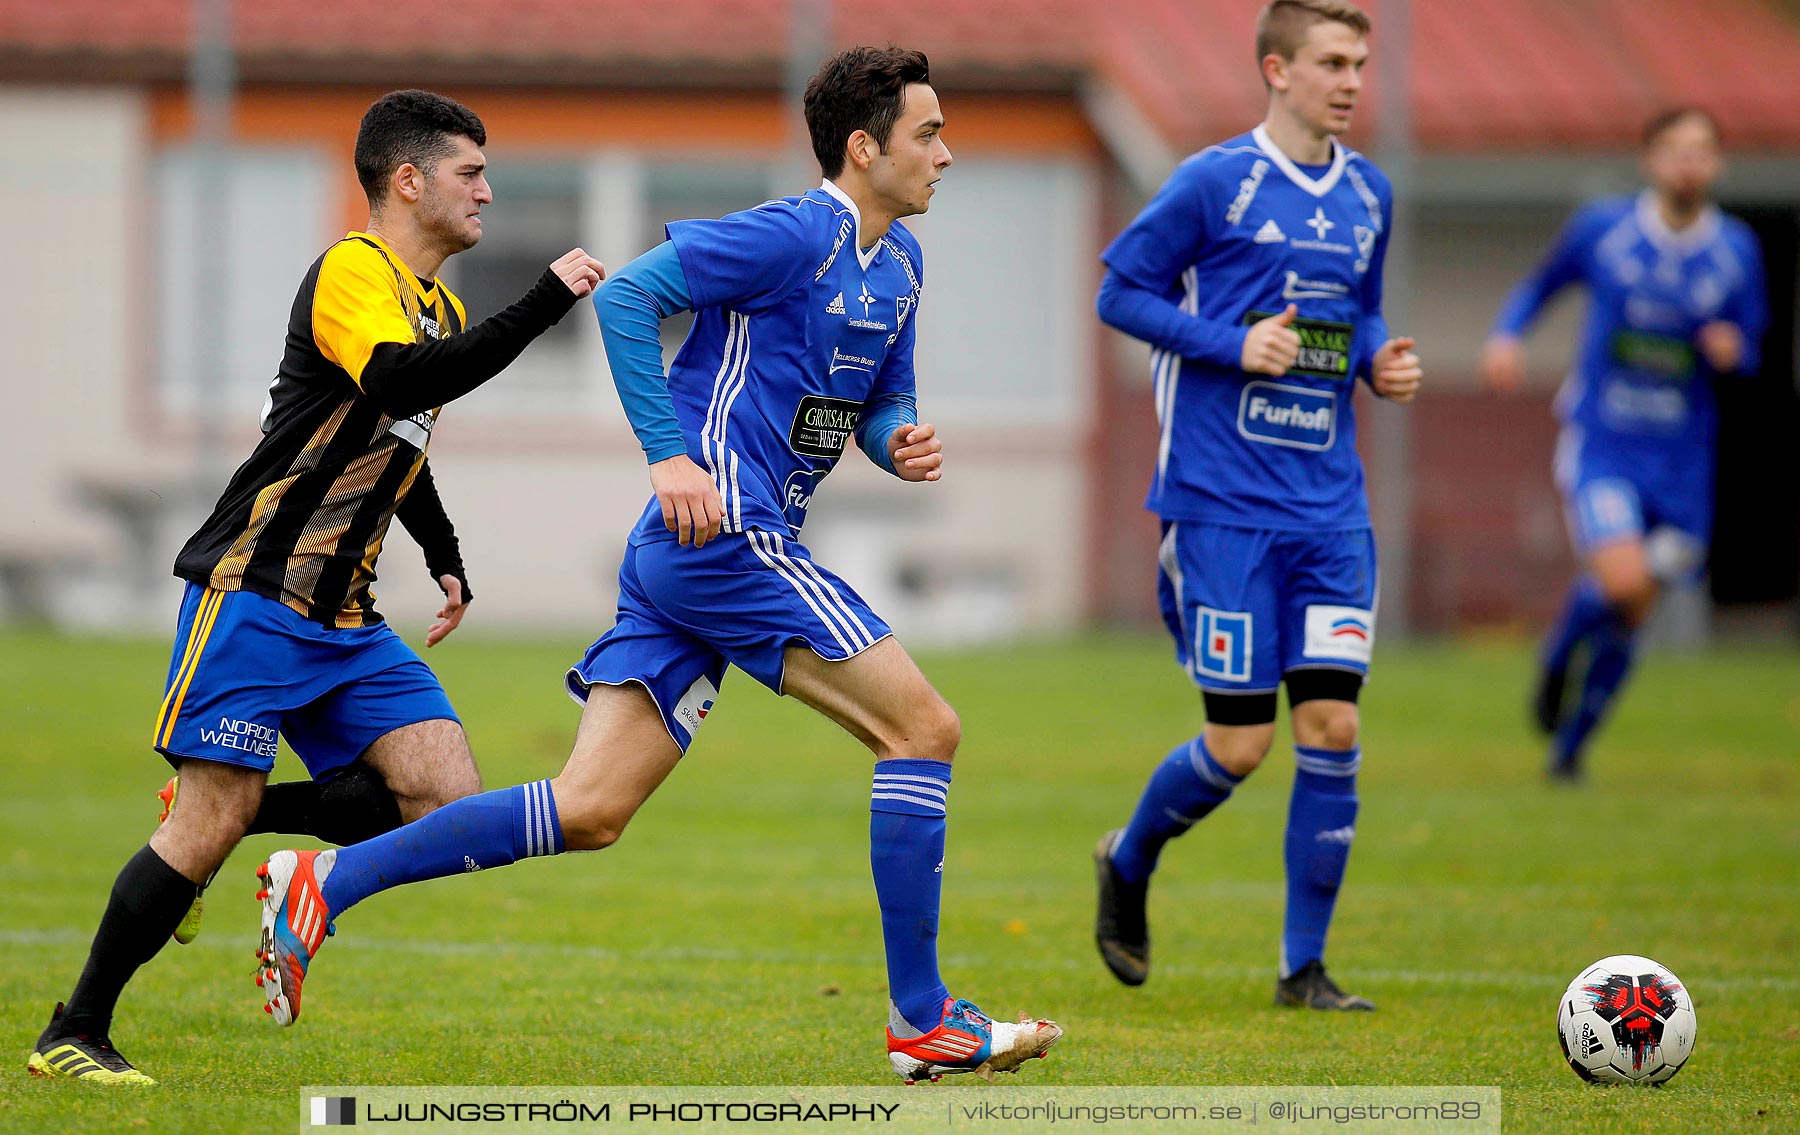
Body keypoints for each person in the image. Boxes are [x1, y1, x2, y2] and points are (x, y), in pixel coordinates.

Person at [250, 47, 1061, 1085]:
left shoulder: (899, 265)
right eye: (929, 133)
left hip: (693, 556)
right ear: (864, 149)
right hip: (726, 538)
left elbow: (880, 395)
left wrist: (895, 439)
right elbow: (631, 297)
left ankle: (324, 885)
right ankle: (922, 1018)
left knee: (590, 809)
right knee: (925, 728)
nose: (948, 153)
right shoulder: (789, 233)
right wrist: (670, 454)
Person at [27, 90, 604, 1085]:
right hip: (254, 589)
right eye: (472, 172)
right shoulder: (350, 270)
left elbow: (400, 440)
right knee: (201, 823)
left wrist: (444, 548)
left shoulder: (443, 306)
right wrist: (547, 298)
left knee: (445, 797)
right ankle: (72, 1030)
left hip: (347, 616)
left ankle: (242, 820)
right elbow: (397, 383)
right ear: (409, 179)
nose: (489, 192)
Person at [1090, 0, 1421, 1011]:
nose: (1352, 80)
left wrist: (1378, 358)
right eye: (1331, 61)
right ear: (1276, 69)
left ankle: (1303, 970)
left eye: (1360, 62)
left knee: (1331, 724)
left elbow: (1354, 310)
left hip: (1329, 509)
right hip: (1221, 503)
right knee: (1242, 743)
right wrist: (1233, 344)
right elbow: (1120, 294)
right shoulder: (1212, 182)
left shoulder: (1371, 192)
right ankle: (1130, 858)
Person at [1480, 108, 1767, 782]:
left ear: (1718, 164)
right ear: (1650, 160)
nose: (1687, 165)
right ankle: (1556, 661)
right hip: (1606, 441)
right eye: (1675, 151)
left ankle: (1570, 748)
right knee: (1625, 578)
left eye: (1701, 152)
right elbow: (1540, 286)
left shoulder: (1736, 250)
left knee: (1634, 609)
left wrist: (1735, 350)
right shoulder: (1605, 231)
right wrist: (1505, 335)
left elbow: (1752, 343)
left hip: (1684, 460)